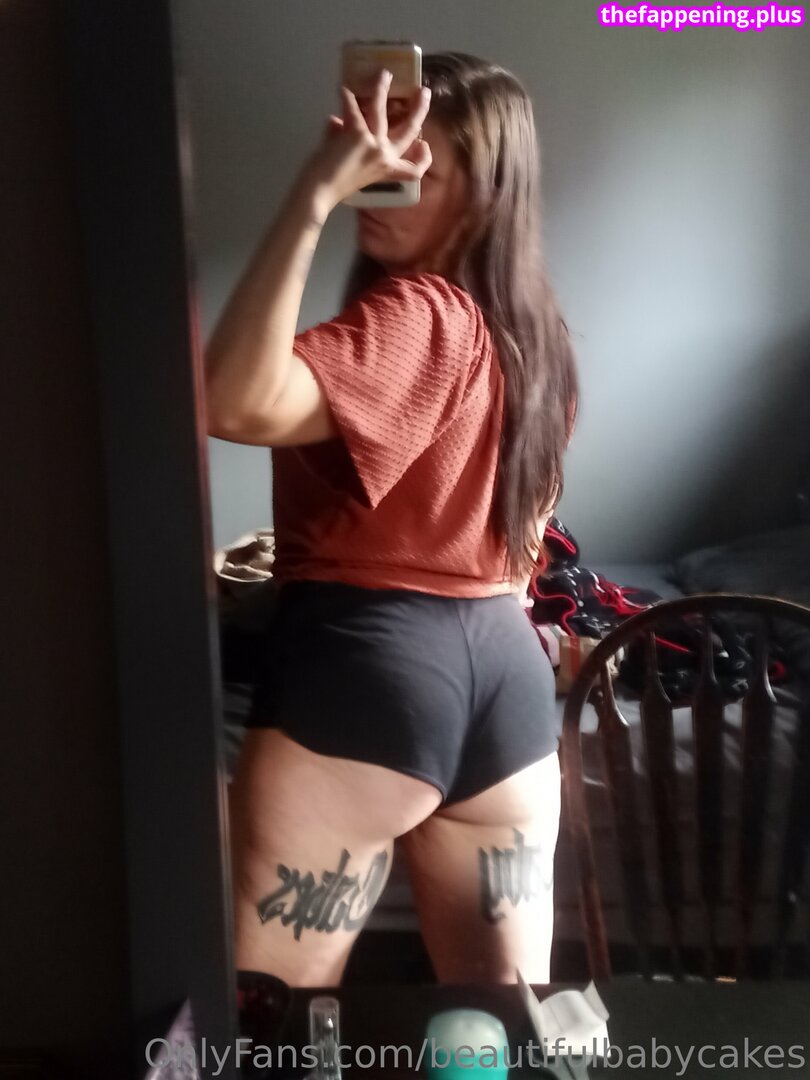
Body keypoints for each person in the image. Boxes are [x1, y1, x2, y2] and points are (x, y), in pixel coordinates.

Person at [205, 52, 579, 989]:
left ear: (483, 192)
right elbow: (529, 539)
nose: (379, 185)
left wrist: (312, 195)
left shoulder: (424, 312)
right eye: (377, 161)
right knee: (504, 1025)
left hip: (369, 666)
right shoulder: (539, 335)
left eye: (416, 169)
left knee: (276, 1023)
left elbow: (236, 400)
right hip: (508, 682)